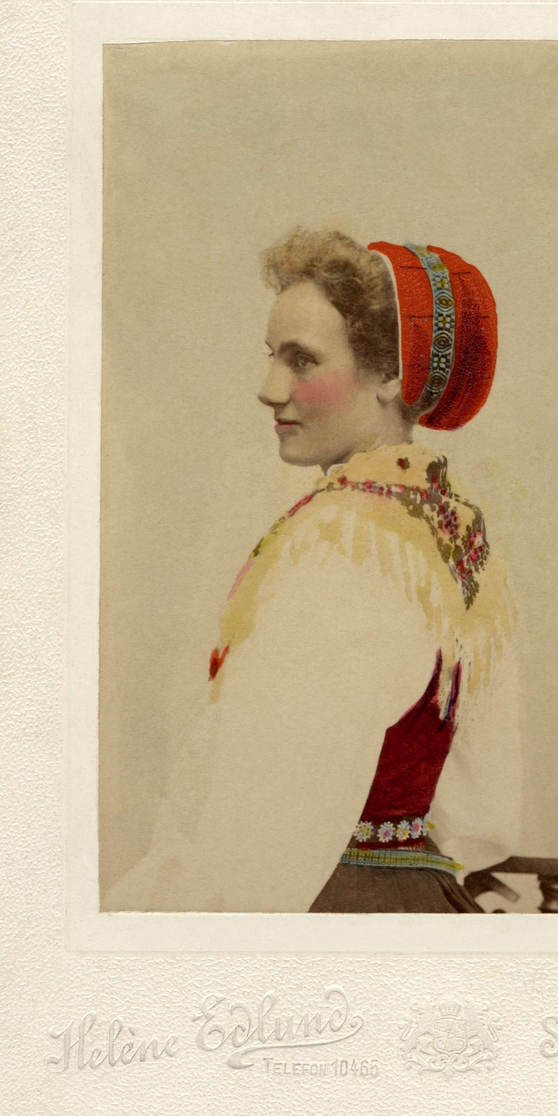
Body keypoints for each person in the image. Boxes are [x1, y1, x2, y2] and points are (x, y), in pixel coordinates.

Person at [105, 229, 523, 914]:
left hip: (327, 914)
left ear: (390, 375)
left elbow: (263, 836)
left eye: (302, 360)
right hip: (423, 905)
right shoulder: (452, 534)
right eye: (273, 356)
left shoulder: (344, 545)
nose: (270, 389)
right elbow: (481, 815)